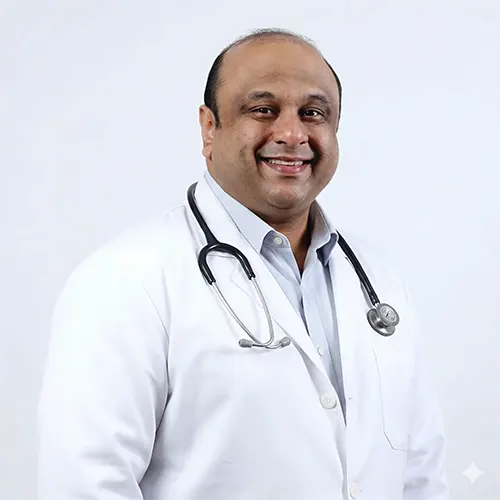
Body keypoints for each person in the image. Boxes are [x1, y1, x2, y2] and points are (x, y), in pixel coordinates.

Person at [37, 28, 449, 500]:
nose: (292, 134)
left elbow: (421, 472)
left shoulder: (378, 279)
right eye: (263, 109)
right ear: (209, 128)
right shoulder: (126, 280)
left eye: (313, 113)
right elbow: (84, 483)